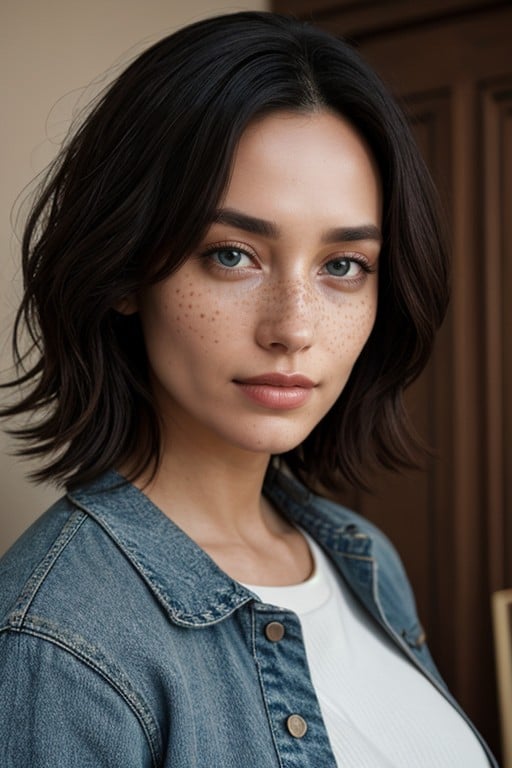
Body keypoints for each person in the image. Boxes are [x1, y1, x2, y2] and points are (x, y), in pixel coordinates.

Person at [0, 11, 497, 768]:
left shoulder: (362, 559)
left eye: (342, 265)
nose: (293, 328)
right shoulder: (60, 642)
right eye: (232, 254)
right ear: (131, 269)